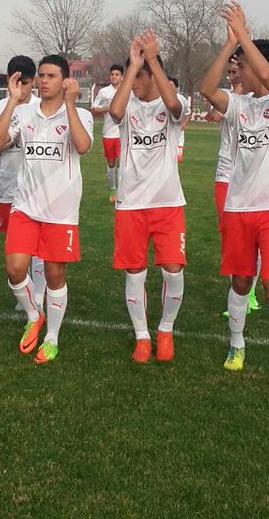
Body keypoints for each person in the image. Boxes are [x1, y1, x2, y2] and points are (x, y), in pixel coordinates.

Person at [201, 1, 269, 403]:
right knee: (241, 281)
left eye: (241, 63)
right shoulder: (239, 106)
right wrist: (229, 46)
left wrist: (244, 36)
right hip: (239, 209)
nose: (237, 70)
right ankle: (237, 345)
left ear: (262, 66)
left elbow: (264, 75)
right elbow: (209, 91)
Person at [0, 54, 93, 364]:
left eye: (51, 76)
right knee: (15, 268)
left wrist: (72, 105)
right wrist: (12, 101)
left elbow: (84, 146)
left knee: (54, 275)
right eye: (42, 76)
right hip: (25, 206)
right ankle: (35, 316)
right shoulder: (26, 112)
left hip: (61, 212)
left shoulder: (79, 114)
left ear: (65, 82)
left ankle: (52, 338)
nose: (43, 81)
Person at [108, 31, 187, 364]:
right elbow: (113, 112)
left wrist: (151, 61)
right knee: (135, 273)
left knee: (173, 271)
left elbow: (173, 105)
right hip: (131, 204)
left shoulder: (175, 104)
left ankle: (165, 329)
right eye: (131, 75)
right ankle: (142, 335)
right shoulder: (127, 106)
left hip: (168, 204)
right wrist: (133, 66)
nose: (135, 81)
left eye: (139, 76)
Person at [0, 56, 46, 315]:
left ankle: (38, 296)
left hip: (39, 187)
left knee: (39, 246)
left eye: (27, 82)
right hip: (8, 187)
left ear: (34, 82)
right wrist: (7, 139)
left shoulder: (44, 107)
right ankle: (26, 291)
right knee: (16, 245)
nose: (23, 87)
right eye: (17, 81)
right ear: (9, 80)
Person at [209, 51, 261, 318]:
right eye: (230, 72)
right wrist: (236, 91)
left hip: (251, 175)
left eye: (237, 70)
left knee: (255, 237)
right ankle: (239, 289)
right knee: (230, 234)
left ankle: (249, 291)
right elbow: (216, 117)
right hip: (225, 173)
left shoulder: (259, 97)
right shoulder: (227, 98)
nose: (233, 75)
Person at [90, 65, 125, 202]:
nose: (114, 77)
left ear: (122, 77)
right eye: (112, 74)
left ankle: (122, 191)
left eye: (117, 74)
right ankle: (112, 189)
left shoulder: (127, 91)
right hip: (109, 133)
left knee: (122, 162)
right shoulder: (104, 92)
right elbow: (94, 109)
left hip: (123, 132)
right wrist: (109, 107)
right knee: (111, 163)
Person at [166, 77, 192, 163]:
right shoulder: (161, 98)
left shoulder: (181, 99)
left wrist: (184, 124)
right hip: (165, 132)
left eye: (171, 85)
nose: (169, 87)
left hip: (178, 132)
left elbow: (188, 113)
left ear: (176, 88)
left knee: (177, 160)